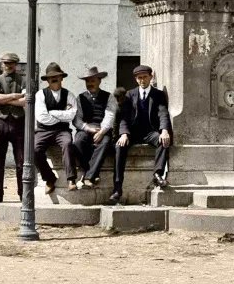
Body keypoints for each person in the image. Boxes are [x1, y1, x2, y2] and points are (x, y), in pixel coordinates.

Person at [112, 64, 172, 203]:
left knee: (163, 140)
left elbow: (163, 113)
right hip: (133, 133)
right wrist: (124, 134)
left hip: (150, 131)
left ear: (151, 77)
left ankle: (157, 174)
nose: (142, 80)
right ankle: (117, 188)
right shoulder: (129, 94)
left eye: (145, 77)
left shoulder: (158, 95)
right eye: (139, 78)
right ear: (136, 79)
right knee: (119, 147)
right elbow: (124, 117)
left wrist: (164, 130)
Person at [32, 63, 79, 195]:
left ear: (61, 78)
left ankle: (71, 179)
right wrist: (61, 114)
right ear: (47, 80)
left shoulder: (69, 95)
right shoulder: (40, 95)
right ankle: (49, 178)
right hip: (43, 131)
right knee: (34, 149)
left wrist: (52, 112)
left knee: (68, 144)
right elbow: (42, 117)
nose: (54, 79)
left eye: (56, 77)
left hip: (62, 131)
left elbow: (71, 115)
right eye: (51, 77)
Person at [0, 52, 27, 203]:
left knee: (21, 160)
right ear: (1, 64)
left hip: (18, 121)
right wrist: (15, 96)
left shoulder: (23, 80)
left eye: (11, 63)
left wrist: (7, 99)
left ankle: (23, 193)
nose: (8, 65)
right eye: (5, 63)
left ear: (16, 65)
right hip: (0, 121)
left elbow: (25, 102)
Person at [71, 66, 118, 189]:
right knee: (78, 141)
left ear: (99, 81)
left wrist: (102, 132)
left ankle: (87, 177)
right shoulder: (80, 98)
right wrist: (87, 128)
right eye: (87, 81)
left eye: (93, 81)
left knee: (105, 142)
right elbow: (77, 119)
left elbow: (110, 115)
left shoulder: (109, 97)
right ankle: (92, 172)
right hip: (86, 129)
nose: (90, 84)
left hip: (103, 129)